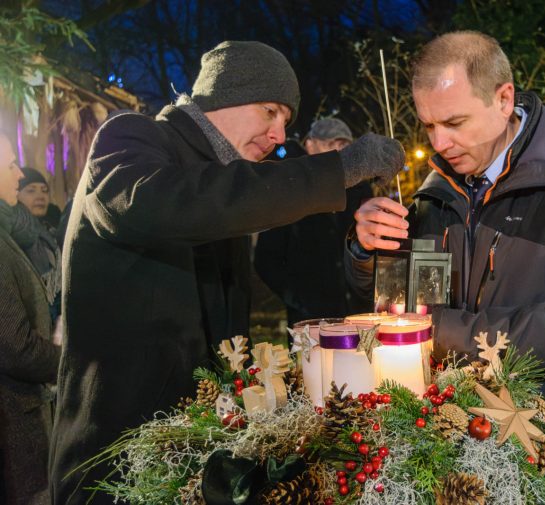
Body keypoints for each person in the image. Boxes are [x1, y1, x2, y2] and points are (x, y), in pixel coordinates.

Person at [49, 40, 404, 505]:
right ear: (224, 96)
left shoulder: (226, 182)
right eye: (270, 111)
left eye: (287, 122)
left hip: (194, 452)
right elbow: (171, 205)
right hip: (116, 454)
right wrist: (340, 168)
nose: (279, 135)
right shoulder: (130, 140)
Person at [347, 31, 545, 504]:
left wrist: (452, 333)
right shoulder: (437, 192)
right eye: (428, 125)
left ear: (504, 98)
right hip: (470, 458)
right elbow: (406, 304)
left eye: (454, 121)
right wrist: (367, 252)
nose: (439, 142)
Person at [255, 118, 373, 326]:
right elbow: (266, 258)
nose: (338, 152)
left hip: (356, 316)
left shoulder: (360, 192)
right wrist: (297, 300)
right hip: (310, 322)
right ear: (310, 145)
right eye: (330, 145)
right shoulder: (290, 190)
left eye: (343, 145)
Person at [0, 131, 62, 504]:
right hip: (13, 422)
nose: (19, 176)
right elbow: (13, 347)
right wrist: (70, 360)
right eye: (9, 165)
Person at [14, 167, 63, 322]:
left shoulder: (53, 230)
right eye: (31, 190)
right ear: (16, 193)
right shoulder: (14, 233)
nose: (40, 196)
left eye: (44, 190)